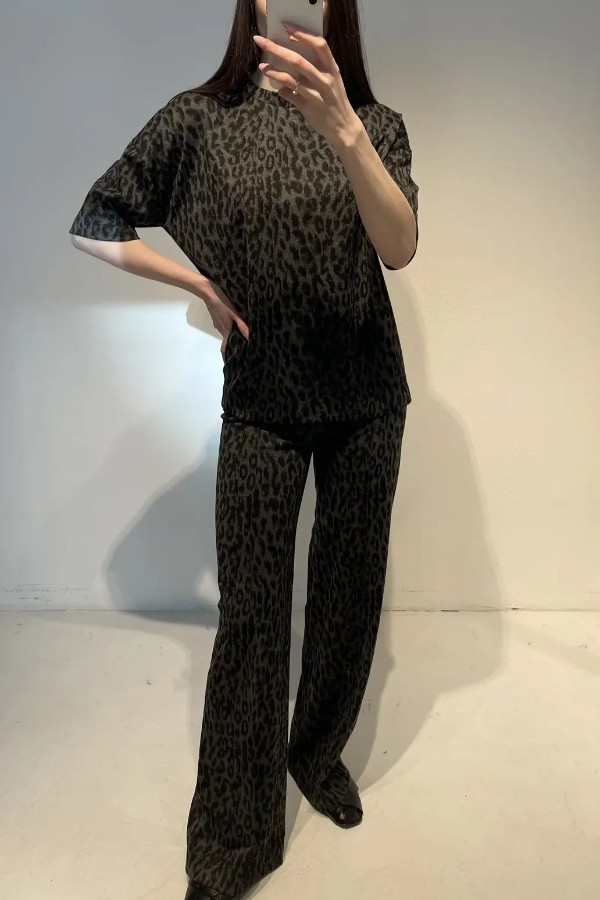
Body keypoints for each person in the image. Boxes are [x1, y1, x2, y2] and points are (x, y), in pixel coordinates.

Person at [68, 0, 419, 897]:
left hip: (368, 400)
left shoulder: (376, 124)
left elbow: (400, 248)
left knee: (347, 597)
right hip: (263, 401)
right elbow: (95, 220)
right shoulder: (200, 121)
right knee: (253, 616)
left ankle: (317, 754)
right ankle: (232, 839)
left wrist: (345, 130)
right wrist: (199, 283)